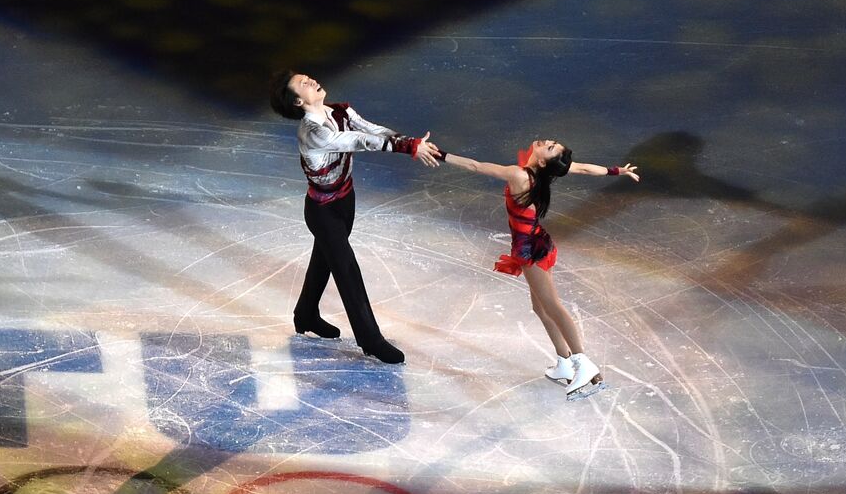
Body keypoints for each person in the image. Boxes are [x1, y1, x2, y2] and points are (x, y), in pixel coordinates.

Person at [441, 139, 638, 398]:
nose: (548, 142)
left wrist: (441, 154)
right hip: (537, 243)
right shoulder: (544, 172)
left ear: (543, 161)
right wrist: (617, 171)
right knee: (541, 307)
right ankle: (565, 362)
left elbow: (476, 166)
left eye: (550, 147)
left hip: (531, 251)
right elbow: (584, 169)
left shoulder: (518, 174)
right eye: (553, 144)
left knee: (552, 305)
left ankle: (583, 362)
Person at [268, 70, 440, 364]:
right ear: (297, 102)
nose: (311, 80)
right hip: (323, 213)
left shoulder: (340, 111)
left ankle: (306, 314)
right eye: (303, 84)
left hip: (346, 201)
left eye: (308, 77)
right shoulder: (313, 132)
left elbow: (372, 130)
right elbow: (358, 141)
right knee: (346, 269)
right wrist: (408, 147)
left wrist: (411, 142)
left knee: (324, 261)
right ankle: (370, 339)